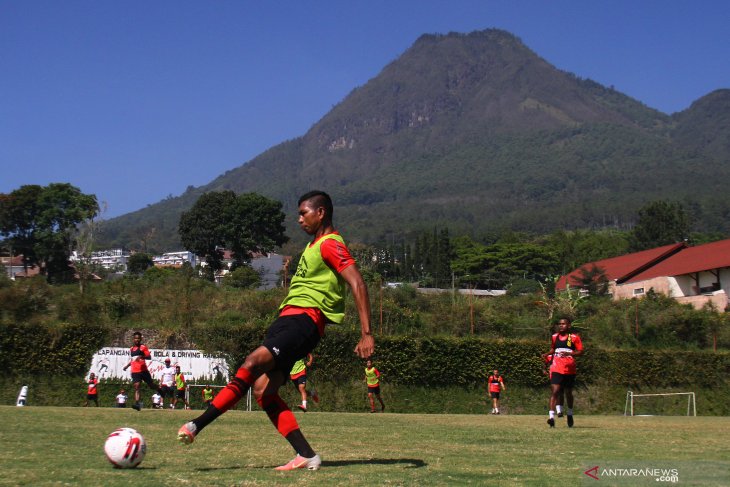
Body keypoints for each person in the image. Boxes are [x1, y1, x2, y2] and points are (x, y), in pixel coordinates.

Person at [177, 190, 374, 472]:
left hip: (305, 321)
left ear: (320, 213)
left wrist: (366, 333)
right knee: (262, 390)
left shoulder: (331, 243)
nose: (299, 219)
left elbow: (358, 283)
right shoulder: (312, 246)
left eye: (303, 213)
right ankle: (306, 454)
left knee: (252, 362)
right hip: (287, 320)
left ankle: (197, 424)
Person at [545, 317, 583, 428]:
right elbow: (553, 349)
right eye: (559, 324)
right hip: (556, 368)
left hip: (569, 368)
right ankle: (551, 417)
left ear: (569, 326)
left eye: (564, 324)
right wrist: (546, 353)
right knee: (555, 391)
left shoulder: (573, 338)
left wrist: (570, 354)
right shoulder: (554, 337)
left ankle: (570, 413)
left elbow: (580, 351)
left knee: (568, 392)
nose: (561, 326)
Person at [122, 331, 163, 411]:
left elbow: (149, 356)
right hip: (135, 371)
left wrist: (141, 356)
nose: (137, 340)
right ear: (133, 339)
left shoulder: (143, 347)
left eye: (138, 338)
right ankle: (137, 404)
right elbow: (133, 360)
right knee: (137, 386)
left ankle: (159, 389)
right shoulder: (131, 349)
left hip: (143, 370)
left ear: (140, 339)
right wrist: (127, 366)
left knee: (151, 385)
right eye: (135, 338)